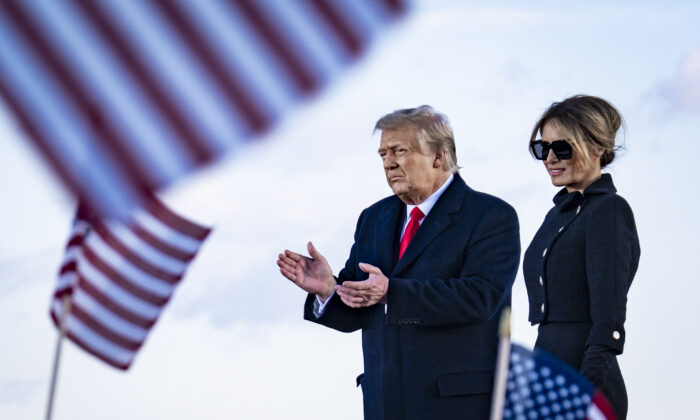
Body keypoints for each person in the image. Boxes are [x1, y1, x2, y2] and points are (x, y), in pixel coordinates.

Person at [277, 105, 520, 420]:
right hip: (383, 404)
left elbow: (480, 298)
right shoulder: (373, 218)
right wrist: (328, 290)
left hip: (458, 406)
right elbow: (357, 310)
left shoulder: (490, 215)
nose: (389, 163)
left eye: (399, 151)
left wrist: (392, 292)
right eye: (382, 155)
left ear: (439, 156)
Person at [523, 95, 640, 419]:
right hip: (548, 375)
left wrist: (581, 391)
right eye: (541, 148)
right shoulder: (558, 214)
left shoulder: (608, 211)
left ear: (597, 148)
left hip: (585, 381)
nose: (549, 158)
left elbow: (608, 320)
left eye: (562, 147)